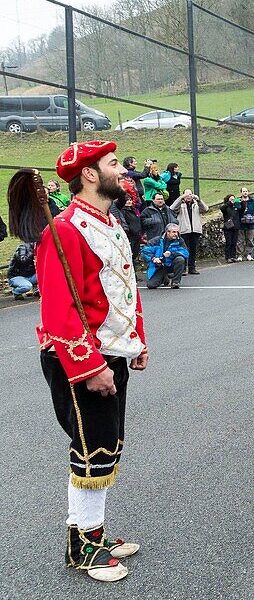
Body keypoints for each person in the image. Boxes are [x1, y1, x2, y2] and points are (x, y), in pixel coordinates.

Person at [10, 141, 147, 582]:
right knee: (92, 452)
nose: (121, 171)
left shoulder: (109, 223)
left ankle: (94, 533)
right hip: (81, 361)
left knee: (107, 449)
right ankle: (82, 549)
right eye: (112, 165)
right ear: (89, 174)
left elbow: (120, 289)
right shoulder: (64, 229)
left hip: (110, 352)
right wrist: (90, 368)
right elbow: (58, 310)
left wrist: (136, 342)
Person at [170, 189, 208, 275]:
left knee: (193, 250)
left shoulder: (196, 204)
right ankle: (183, 268)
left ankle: (192, 268)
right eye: (186, 194)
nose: (188, 196)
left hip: (195, 230)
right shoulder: (181, 204)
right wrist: (181, 198)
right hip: (184, 230)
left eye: (190, 194)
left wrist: (199, 200)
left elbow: (205, 209)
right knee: (183, 250)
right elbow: (172, 208)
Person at [141, 223, 188, 290]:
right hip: (159, 266)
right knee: (151, 285)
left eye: (177, 232)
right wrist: (153, 258)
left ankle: (175, 282)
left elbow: (185, 252)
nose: (176, 234)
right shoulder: (156, 240)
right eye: (174, 232)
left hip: (171, 264)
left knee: (180, 259)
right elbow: (144, 251)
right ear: (167, 232)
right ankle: (164, 278)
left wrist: (171, 253)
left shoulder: (180, 241)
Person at [237, 188, 254, 262]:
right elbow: (234, 210)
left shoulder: (253, 202)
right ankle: (239, 255)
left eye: (246, 191)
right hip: (241, 223)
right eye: (243, 191)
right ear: (241, 192)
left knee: (250, 240)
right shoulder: (238, 201)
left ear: (248, 192)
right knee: (240, 240)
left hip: (251, 224)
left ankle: (248, 254)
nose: (245, 193)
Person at [221, 194, 241, 263]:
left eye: (234, 199)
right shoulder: (226, 206)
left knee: (234, 243)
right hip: (228, 227)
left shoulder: (236, 206)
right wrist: (229, 203)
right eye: (231, 199)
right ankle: (228, 257)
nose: (233, 200)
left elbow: (242, 210)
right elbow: (222, 209)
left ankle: (233, 256)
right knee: (228, 243)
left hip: (235, 227)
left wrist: (240, 202)